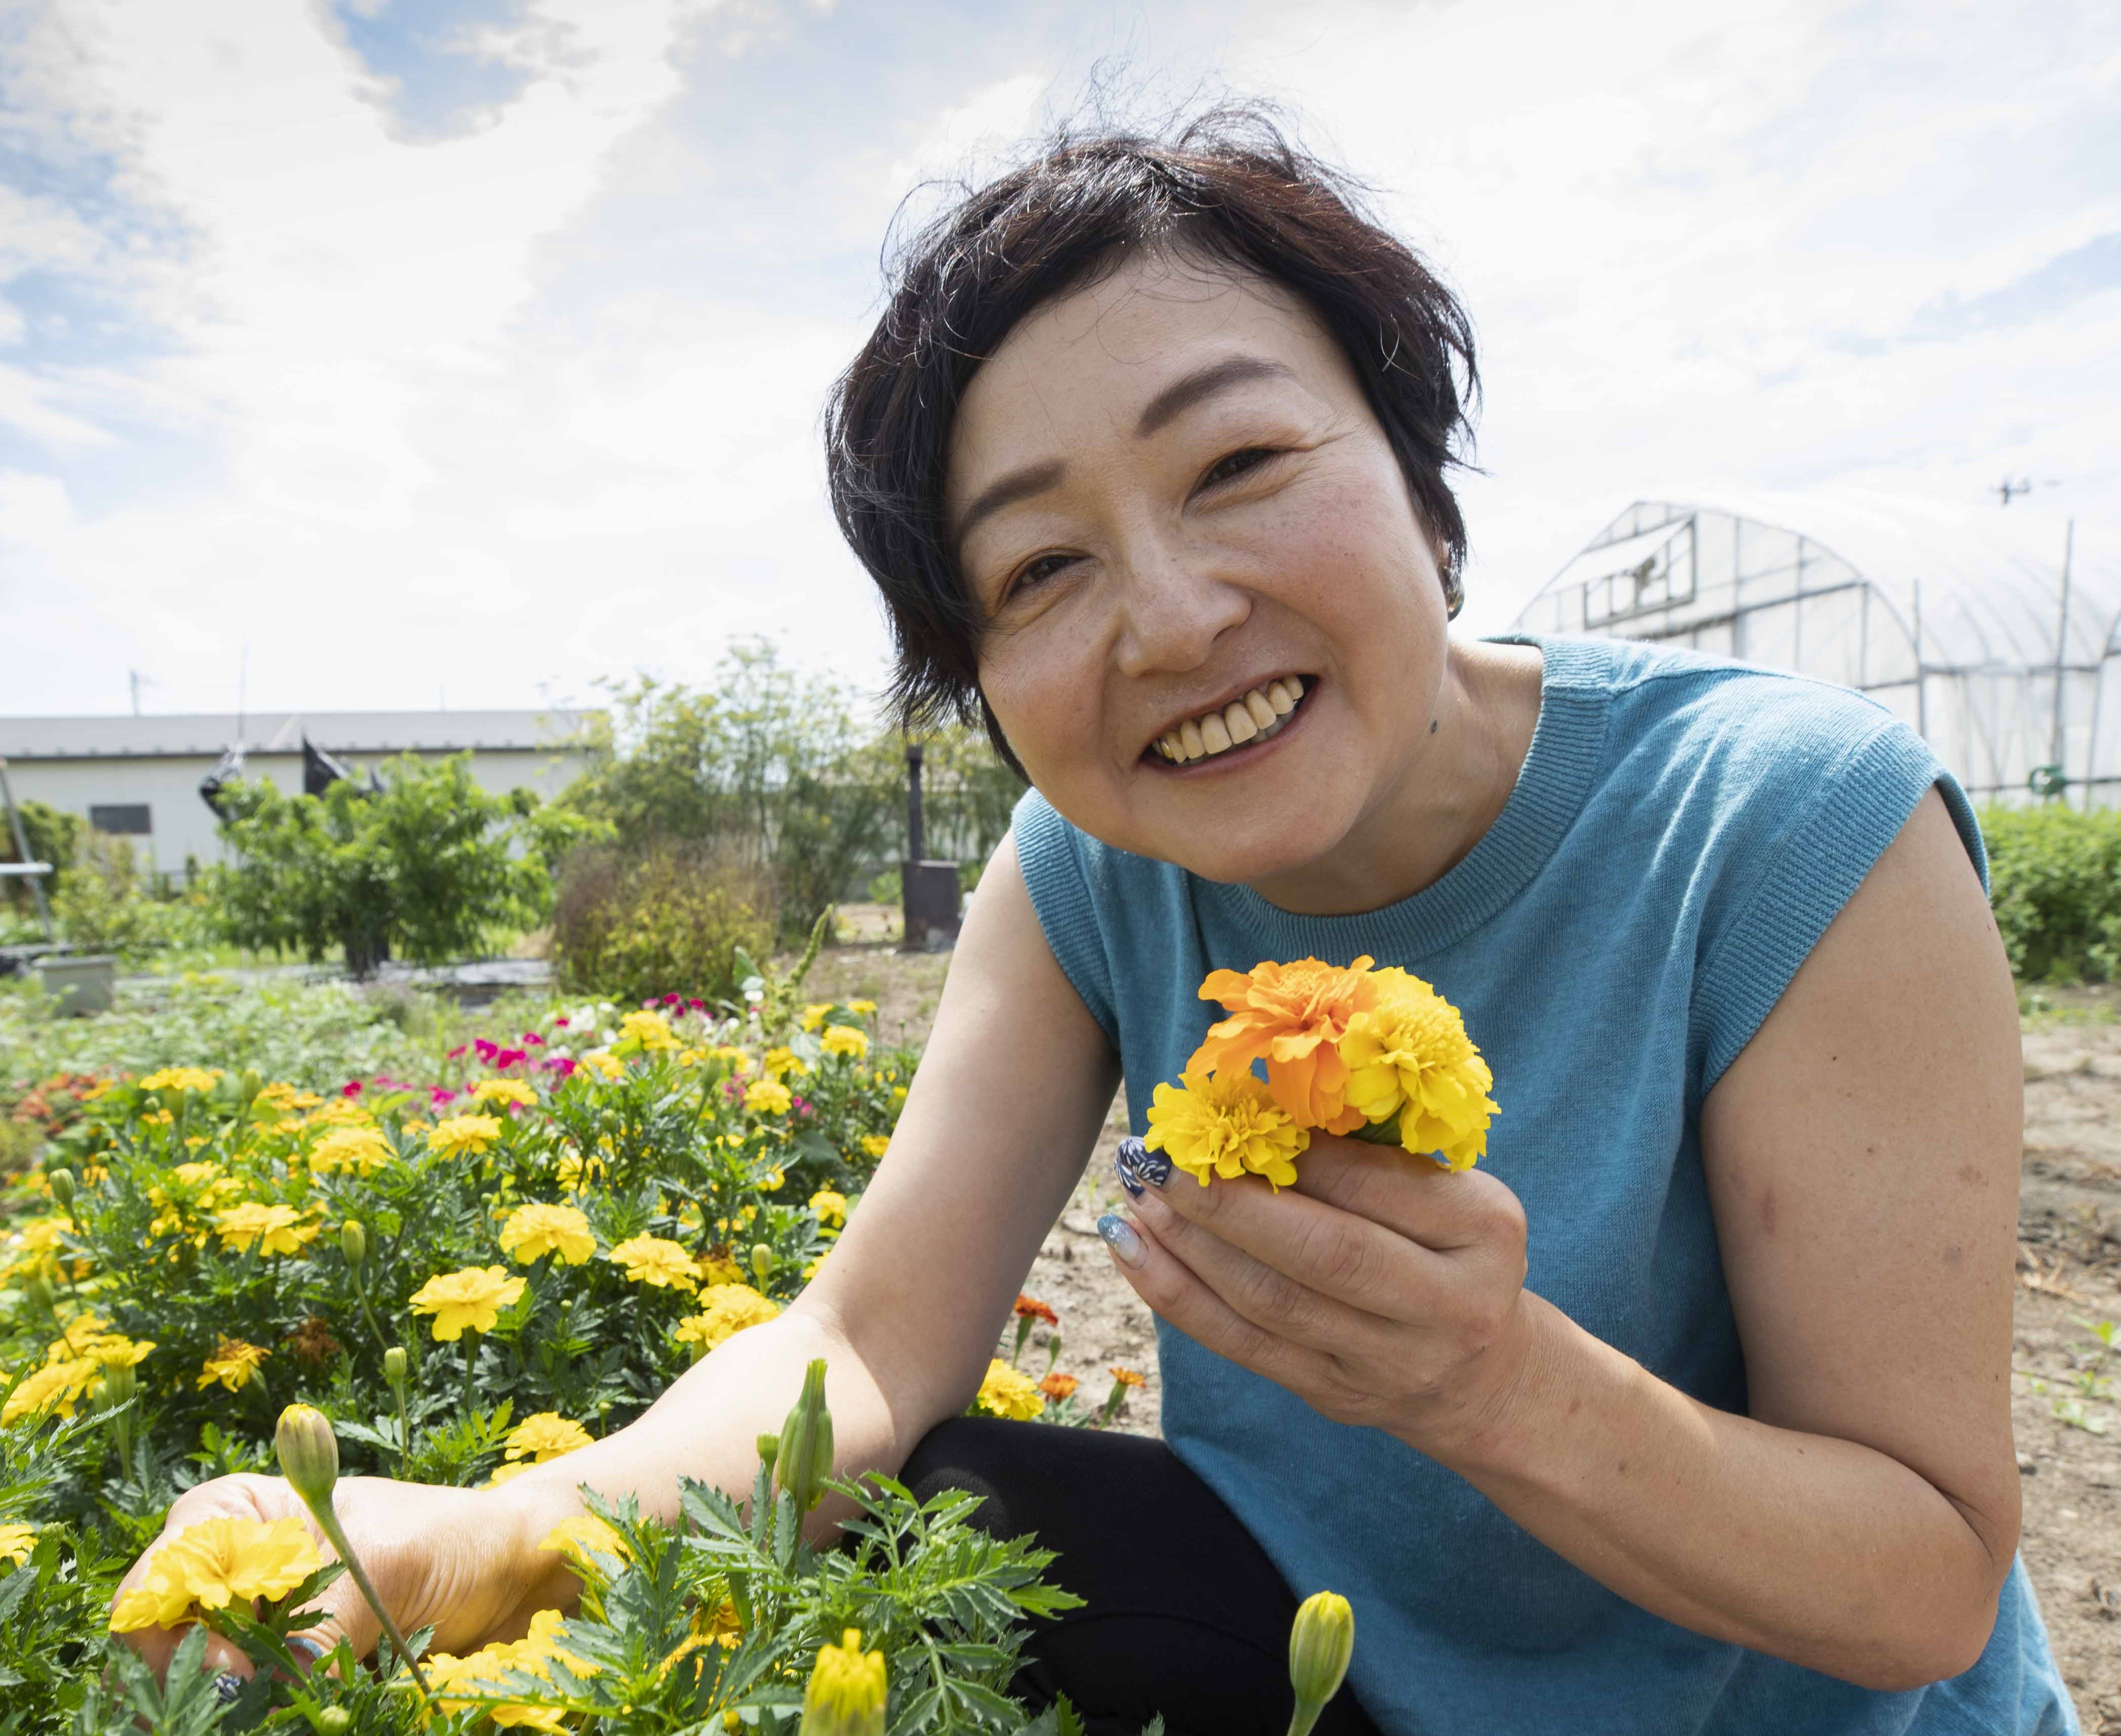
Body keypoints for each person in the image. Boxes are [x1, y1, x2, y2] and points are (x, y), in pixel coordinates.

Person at [113, 109, 2077, 1735]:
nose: (1165, 616)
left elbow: (1917, 1578)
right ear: (978, 672)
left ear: (1419, 476)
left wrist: (1495, 1385)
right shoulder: (1081, 870)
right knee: (894, 1514)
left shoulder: (1785, 822)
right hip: (1344, 1676)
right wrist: (506, 1521)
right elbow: (866, 1341)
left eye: (1238, 462)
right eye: (1041, 565)